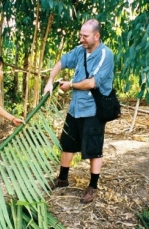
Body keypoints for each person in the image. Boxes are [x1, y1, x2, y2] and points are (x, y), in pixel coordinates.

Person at [43, 19, 114, 204]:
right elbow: (62, 62)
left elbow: (92, 82)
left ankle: (92, 186)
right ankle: (62, 179)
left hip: (93, 110)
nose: (81, 38)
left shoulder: (106, 54)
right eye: (80, 34)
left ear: (96, 36)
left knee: (93, 149)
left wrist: (71, 85)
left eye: (85, 35)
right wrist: (50, 80)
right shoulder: (80, 50)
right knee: (67, 143)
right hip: (75, 108)